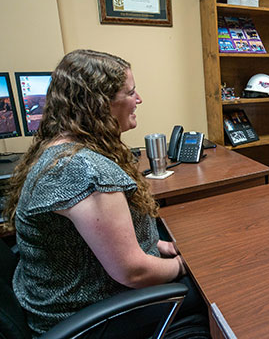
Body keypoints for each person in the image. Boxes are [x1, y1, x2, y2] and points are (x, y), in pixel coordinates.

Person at [3, 49, 208, 337]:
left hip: (60, 300)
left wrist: (159, 245)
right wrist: (182, 265)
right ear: (99, 104)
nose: (138, 100)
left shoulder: (58, 150)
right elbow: (133, 272)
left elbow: (90, 239)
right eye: (130, 92)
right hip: (89, 316)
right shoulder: (83, 171)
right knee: (215, 287)